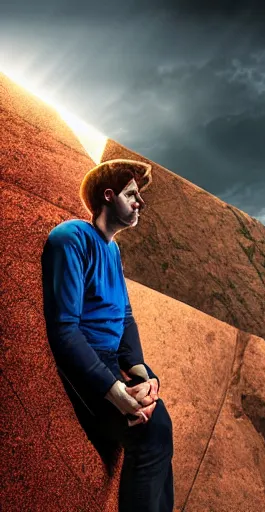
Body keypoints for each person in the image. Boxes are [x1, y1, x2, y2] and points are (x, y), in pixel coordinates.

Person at [41, 159, 174, 512]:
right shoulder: (70, 238)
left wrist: (142, 370)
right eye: (132, 194)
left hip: (113, 360)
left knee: (160, 426)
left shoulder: (113, 249)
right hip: (84, 365)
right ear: (109, 196)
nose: (140, 202)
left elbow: (125, 316)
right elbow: (64, 329)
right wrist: (113, 391)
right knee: (151, 432)